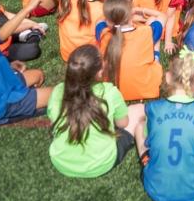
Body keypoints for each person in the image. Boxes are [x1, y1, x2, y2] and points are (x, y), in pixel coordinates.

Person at [135, 48, 194, 201]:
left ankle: (146, 159)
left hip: (157, 186)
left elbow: (147, 137)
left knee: (140, 127)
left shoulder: (154, 109)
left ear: (168, 78)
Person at [47, 44, 144, 178]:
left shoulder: (57, 91)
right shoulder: (109, 91)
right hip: (102, 163)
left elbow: (54, 121)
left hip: (61, 162)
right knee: (139, 110)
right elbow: (123, 123)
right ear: (99, 73)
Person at [99, 0, 165, 102]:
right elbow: (162, 16)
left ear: (108, 19)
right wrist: (139, 10)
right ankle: (156, 56)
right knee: (153, 21)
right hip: (146, 88)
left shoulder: (103, 33)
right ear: (130, 15)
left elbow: (100, 21)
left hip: (111, 90)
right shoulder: (146, 33)